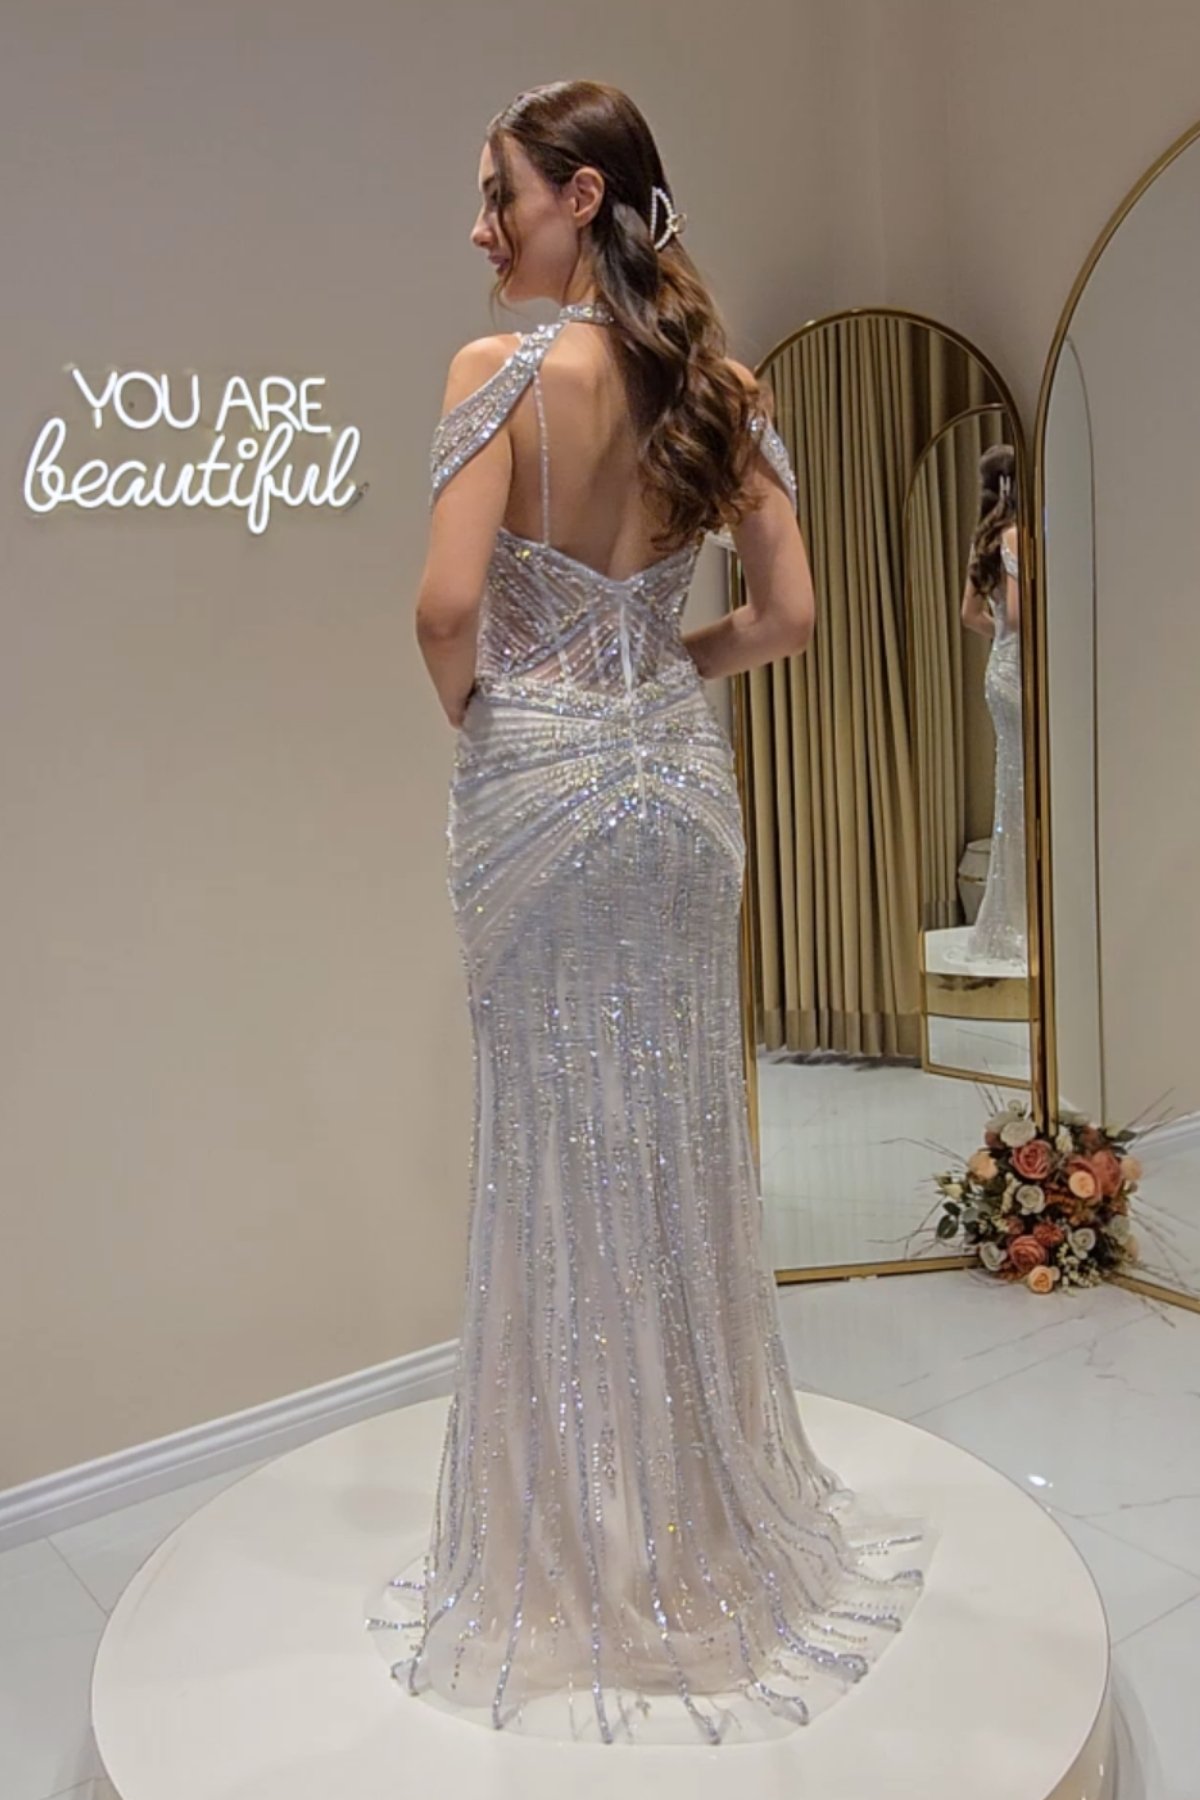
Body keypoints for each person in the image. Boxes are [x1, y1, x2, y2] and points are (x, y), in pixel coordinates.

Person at [367, 79, 933, 1746]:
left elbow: (445, 610)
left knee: (554, 1147)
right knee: (674, 1144)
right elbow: (792, 615)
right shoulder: (715, 385)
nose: (477, 226)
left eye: (498, 193)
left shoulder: (495, 372)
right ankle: (694, 1529)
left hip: (538, 788)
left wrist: (496, 715)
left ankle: (572, 1552)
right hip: (679, 794)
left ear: (581, 194)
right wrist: (657, 670)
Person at [960, 444, 1026, 968]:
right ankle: (1021, 920)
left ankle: (1007, 919)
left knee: (1012, 796)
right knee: (1026, 797)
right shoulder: (1016, 537)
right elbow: (1022, 615)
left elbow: (969, 614)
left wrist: (1000, 638)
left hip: (999, 670)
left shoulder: (983, 539)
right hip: (1021, 673)